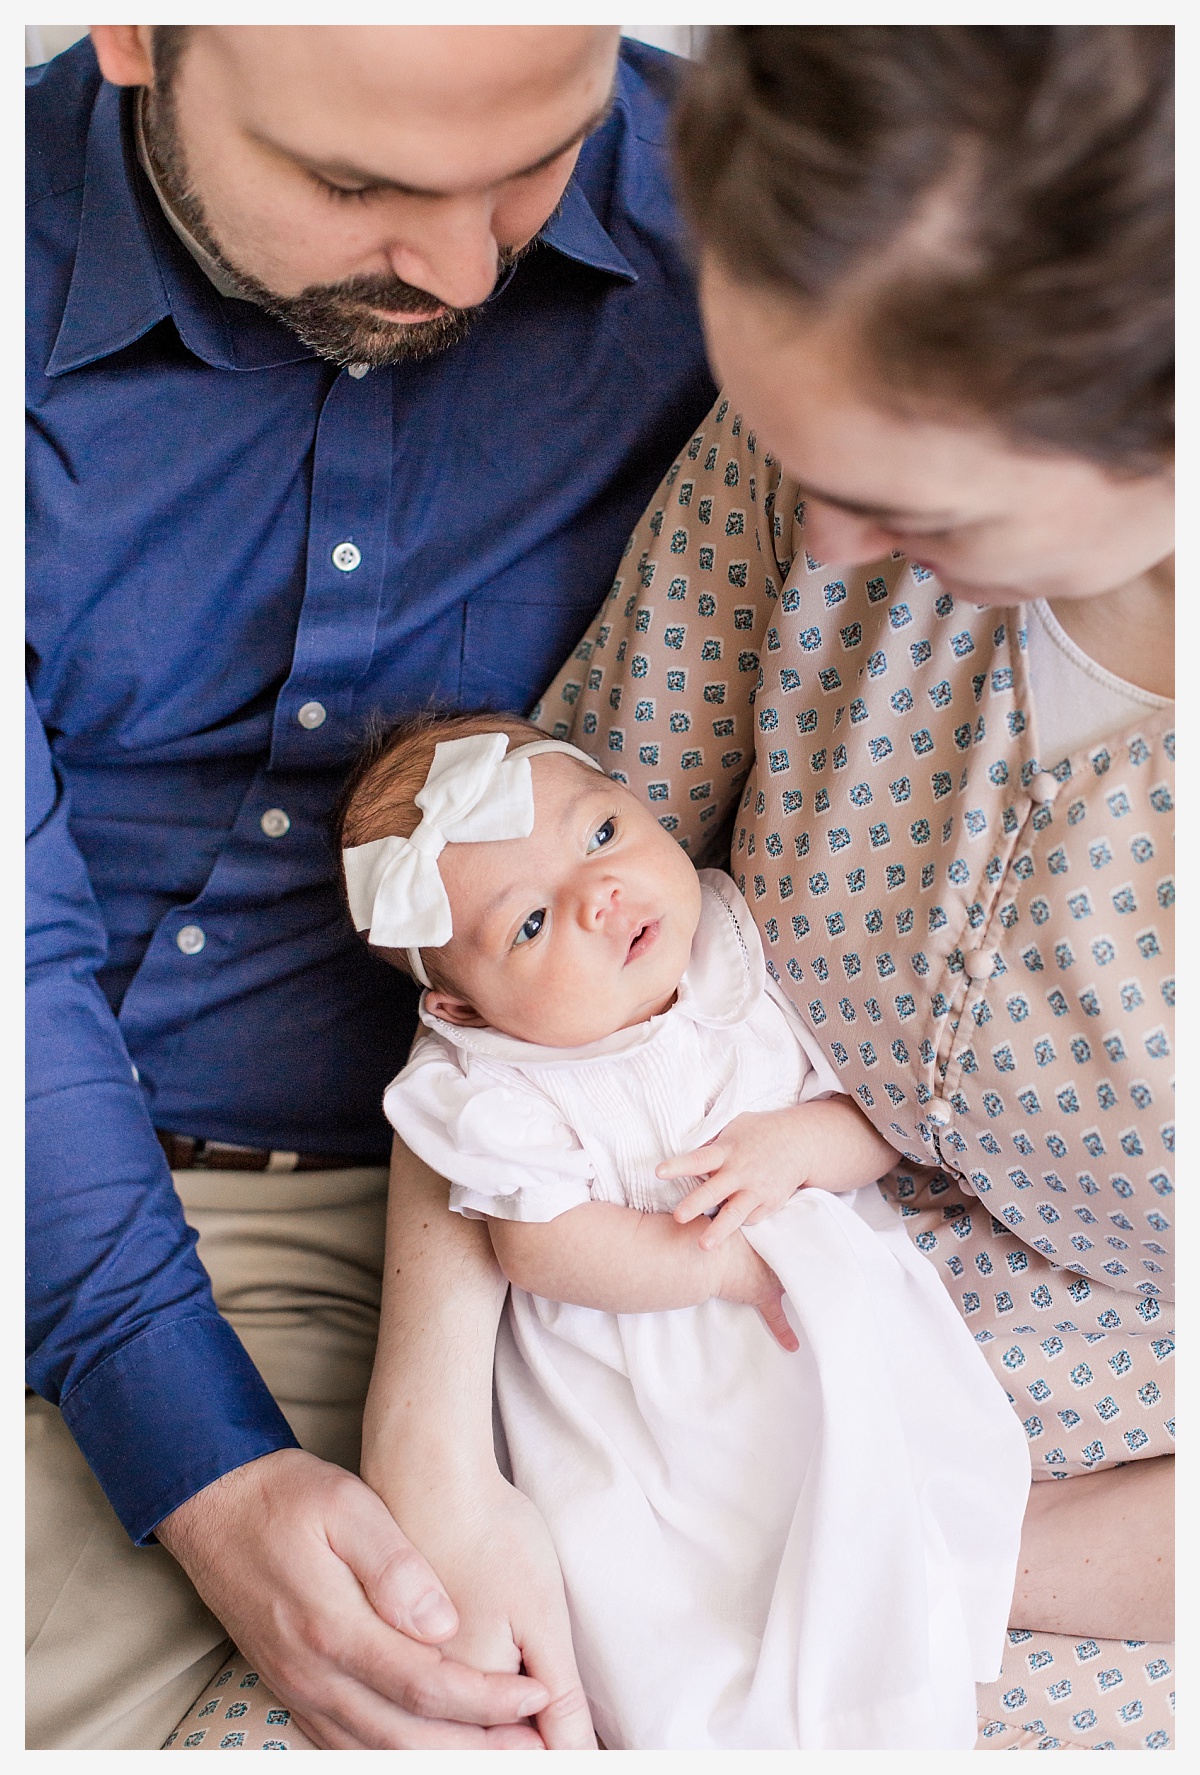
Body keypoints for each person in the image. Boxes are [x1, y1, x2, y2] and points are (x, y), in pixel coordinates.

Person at [25, 22, 716, 1751]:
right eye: (355, 185)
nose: (465, 265)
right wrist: (200, 1462)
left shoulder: (736, 223)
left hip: (408, 1200)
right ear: (136, 34)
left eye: (531, 168)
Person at [533, 22, 1174, 1751]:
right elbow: (517, 975)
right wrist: (439, 1457)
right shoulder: (802, 437)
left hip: (1100, 1532)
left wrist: (916, 1540)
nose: (821, 552)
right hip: (644, 1342)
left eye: (907, 506)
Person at [333, 711, 1029, 1749]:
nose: (597, 895)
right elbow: (540, 1243)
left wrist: (795, 1145)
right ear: (462, 1010)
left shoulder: (741, 968)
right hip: (635, 1376)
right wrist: (712, 1264)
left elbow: (873, 1127)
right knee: (659, 1590)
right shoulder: (499, 1085)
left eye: (602, 835)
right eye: (529, 924)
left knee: (880, 1525)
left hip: (820, 1337)